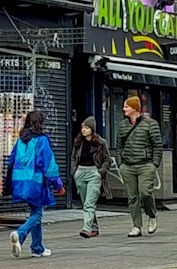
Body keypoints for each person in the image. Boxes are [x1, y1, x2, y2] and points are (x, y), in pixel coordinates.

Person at [7, 109, 63, 258]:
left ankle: (37, 247)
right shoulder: (41, 140)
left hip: (19, 182)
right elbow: (49, 164)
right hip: (35, 182)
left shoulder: (20, 141)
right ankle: (20, 233)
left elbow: (11, 161)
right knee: (37, 214)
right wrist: (58, 185)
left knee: (35, 211)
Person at [116, 92, 165, 238]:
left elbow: (158, 145)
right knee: (132, 197)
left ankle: (152, 214)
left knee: (145, 192)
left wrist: (154, 164)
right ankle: (136, 226)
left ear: (134, 108)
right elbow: (119, 145)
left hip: (145, 165)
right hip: (128, 166)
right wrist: (120, 163)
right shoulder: (122, 125)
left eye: (126, 106)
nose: (123, 109)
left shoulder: (151, 124)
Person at [71, 115, 113, 237]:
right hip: (81, 173)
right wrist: (74, 171)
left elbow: (107, 160)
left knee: (89, 203)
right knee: (86, 203)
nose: (83, 130)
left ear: (92, 129)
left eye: (87, 128)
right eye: (82, 127)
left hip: (94, 173)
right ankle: (94, 227)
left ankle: (87, 229)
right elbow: (73, 157)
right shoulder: (78, 142)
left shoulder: (101, 143)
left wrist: (100, 172)